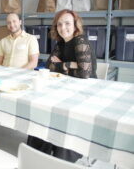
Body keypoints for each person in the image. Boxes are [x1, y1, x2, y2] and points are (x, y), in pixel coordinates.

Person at [27, 9, 97, 163]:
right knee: (43, 110)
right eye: (59, 24)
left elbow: (84, 74)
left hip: (85, 93)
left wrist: (63, 65)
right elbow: (49, 65)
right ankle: (39, 152)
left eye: (67, 23)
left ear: (75, 25)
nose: (63, 27)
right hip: (66, 87)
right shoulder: (61, 42)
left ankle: (61, 158)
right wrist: (72, 65)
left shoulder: (80, 41)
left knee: (60, 115)